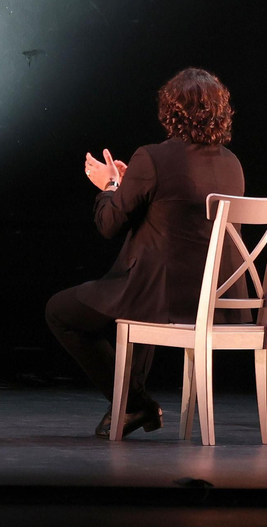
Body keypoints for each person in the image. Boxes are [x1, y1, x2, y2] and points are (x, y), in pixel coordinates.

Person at [45, 67, 246, 438]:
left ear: (170, 111)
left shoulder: (153, 157)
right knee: (144, 290)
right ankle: (128, 408)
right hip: (220, 297)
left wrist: (108, 186)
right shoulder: (232, 164)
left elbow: (109, 225)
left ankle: (134, 403)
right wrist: (127, 183)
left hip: (164, 294)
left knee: (60, 311)